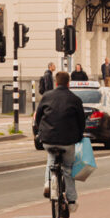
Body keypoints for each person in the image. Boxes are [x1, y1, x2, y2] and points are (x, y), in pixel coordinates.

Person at [33, 69, 86, 210]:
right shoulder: (75, 99)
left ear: (56, 83)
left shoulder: (47, 96)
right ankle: (72, 201)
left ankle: (47, 183)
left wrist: (40, 131)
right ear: (69, 83)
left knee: (51, 159)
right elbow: (82, 121)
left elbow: (38, 116)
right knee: (68, 169)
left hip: (48, 139)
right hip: (68, 141)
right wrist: (80, 135)